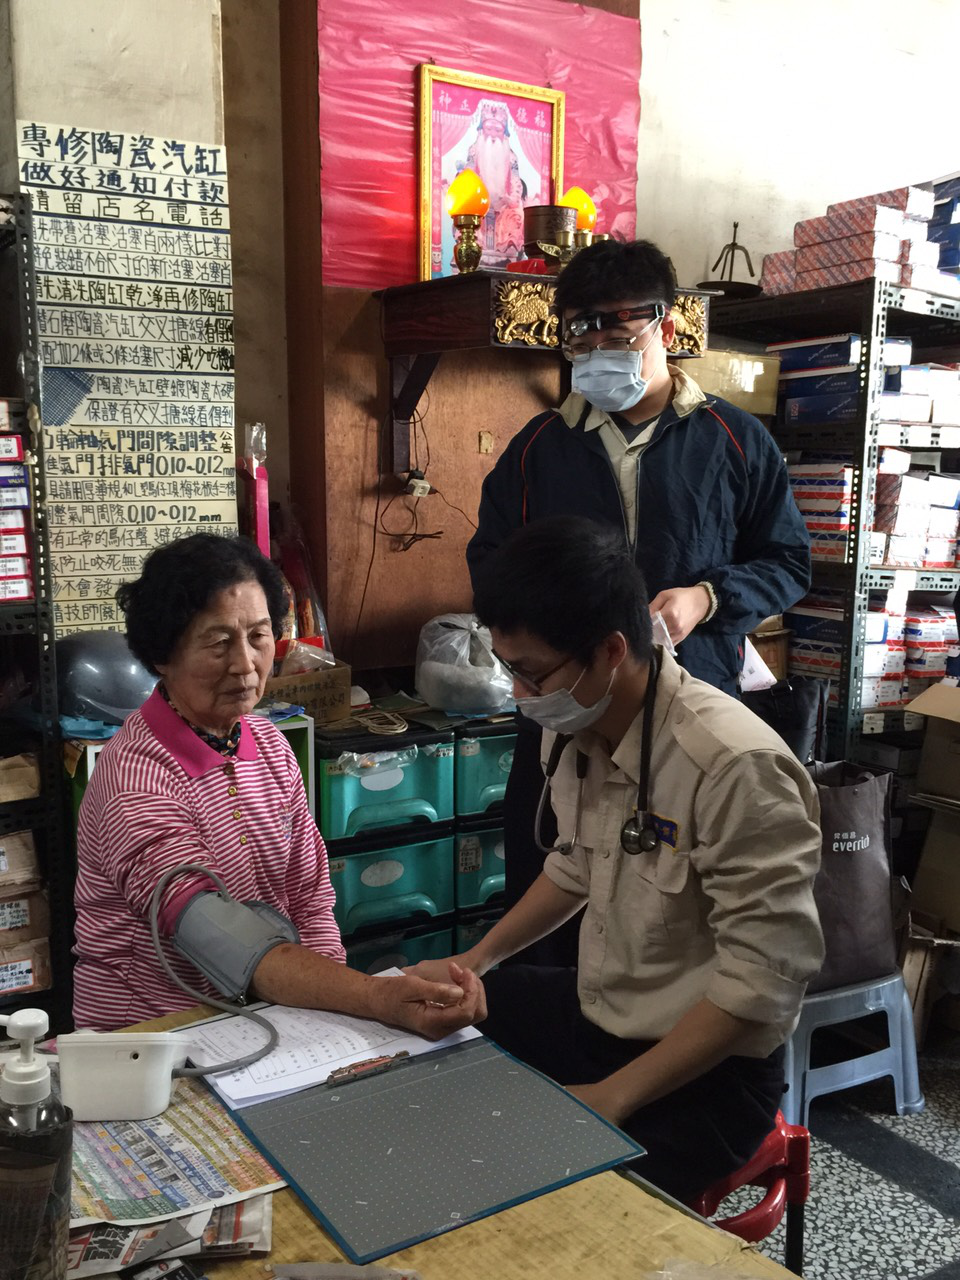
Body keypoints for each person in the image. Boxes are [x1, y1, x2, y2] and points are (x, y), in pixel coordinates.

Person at [411, 517, 824, 1204]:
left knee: (536, 1196)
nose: (521, 695)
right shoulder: (577, 720)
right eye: (511, 670)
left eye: (532, 672)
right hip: (604, 1011)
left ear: (610, 650)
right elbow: (574, 866)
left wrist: (611, 1097)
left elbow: (763, 984)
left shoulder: (733, 767)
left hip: (708, 1073)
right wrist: (474, 961)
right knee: (436, 1027)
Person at [465, 237, 812, 961]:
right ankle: (548, 1020)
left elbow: (787, 561)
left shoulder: (734, 440)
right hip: (568, 710)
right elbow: (491, 565)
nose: (597, 353)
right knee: (550, 875)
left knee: (674, 903)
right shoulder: (538, 448)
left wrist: (708, 598)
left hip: (690, 704)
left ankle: (656, 1024)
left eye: (618, 336)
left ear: (668, 328)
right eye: (580, 337)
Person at [73, 533, 485, 1036]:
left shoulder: (268, 744)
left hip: (263, 1013)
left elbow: (308, 895)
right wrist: (372, 997)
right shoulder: (136, 775)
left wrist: (332, 1011)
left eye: (258, 636)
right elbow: (213, 933)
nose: (246, 664)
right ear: (163, 653)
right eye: (219, 642)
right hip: (156, 1030)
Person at [466, 100, 526, 262]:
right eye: (489, 129)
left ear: (504, 132)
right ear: (482, 129)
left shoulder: (511, 156)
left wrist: (510, 199)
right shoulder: (474, 151)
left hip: (504, 204)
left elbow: (516, 183)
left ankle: (507, 254)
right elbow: (468, 178)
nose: (492, 134)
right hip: (478, 204)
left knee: (516, 214)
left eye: (497, 130)